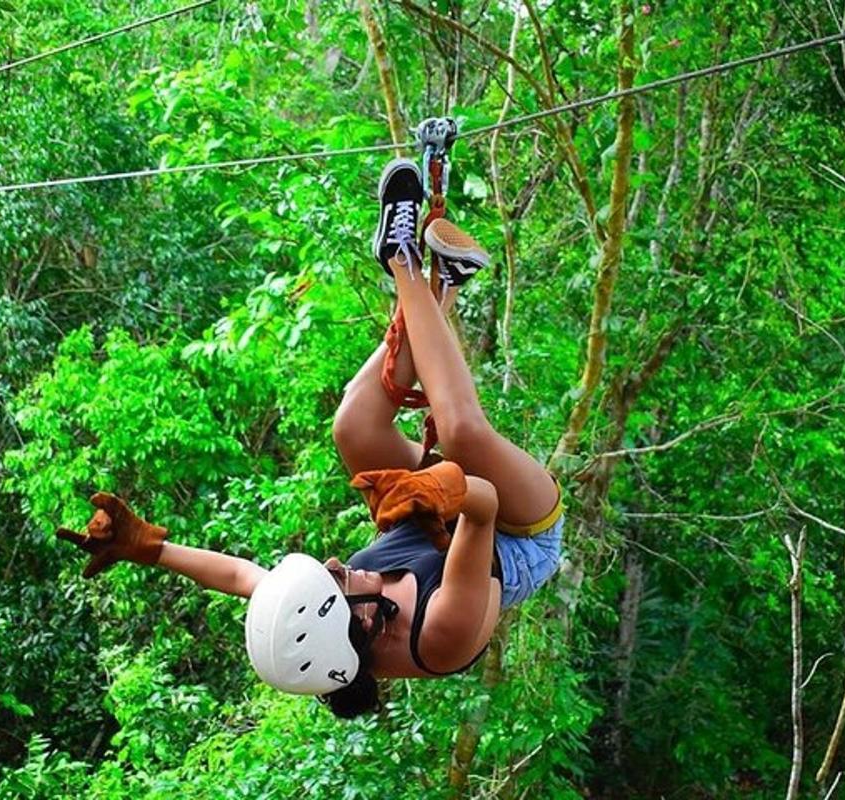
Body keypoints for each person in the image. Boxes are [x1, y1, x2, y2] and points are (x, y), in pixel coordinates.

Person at [55, 158, 565, 718]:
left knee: (353, 428)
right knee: (463, 434)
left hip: (434, 514)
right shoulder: (441, 637)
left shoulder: (319, 606)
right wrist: (449, 489)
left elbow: (240, 576)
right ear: (363, 625)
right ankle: (403, 260)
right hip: (513, 532)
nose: (339, 565)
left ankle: (441, 285)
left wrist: (147, 549)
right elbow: (484, 505)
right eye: (341, 581)